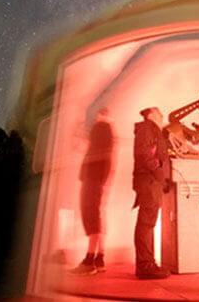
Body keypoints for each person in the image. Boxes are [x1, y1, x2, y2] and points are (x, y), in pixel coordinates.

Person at [70, 107, 115, 275]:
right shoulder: (108, 130)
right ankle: (99, 258)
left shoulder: (101, 127)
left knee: (91, 213)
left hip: (93, 178)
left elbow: (96, 152)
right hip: (98, 178)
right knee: (97, 215)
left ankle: (90, 260)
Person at [132, 107, 170, 279]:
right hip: (149, 181)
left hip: (151, 181)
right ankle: (145, 265)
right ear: (151, 115)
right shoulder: (148, 128)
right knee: (146, 223)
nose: (163, 116)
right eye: (160, 113)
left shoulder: (151, 130)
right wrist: (160, 174)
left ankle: (147, 263)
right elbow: (145, 154)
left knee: (148, 223)